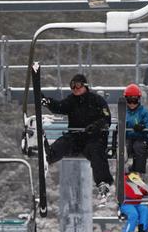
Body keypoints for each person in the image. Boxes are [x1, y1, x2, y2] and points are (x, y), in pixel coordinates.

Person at [42, 72, 113, 202]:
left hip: (94, 138)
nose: (75, 89)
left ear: (85, 86)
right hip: (76, 137)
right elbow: (59, 107)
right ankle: (48, 156)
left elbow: (106, 119)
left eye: (78, 85)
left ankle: (103, 183)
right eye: (72, 86)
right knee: (64, 142)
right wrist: (47, 102)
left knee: (96, 152)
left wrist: (95, 126)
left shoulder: (97, 100)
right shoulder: (71, 100)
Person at [123, 84, 148, 175]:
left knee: (139, 146)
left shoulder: (144, 112)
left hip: (141, 137)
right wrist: (120, 127)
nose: (132, 103)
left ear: (138, 100)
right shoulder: (123, 112)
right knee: (123, 148)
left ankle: (138, 172)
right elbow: (120, 123)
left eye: (134, 100)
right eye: (129, 100)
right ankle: (123, 170)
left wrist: (142, 127)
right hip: (127, 138)